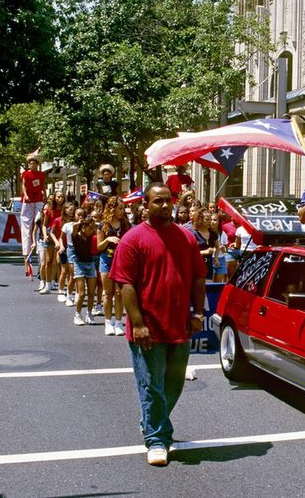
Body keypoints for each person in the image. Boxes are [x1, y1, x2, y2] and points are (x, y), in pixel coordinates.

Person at [109, 183, 206, 467]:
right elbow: (125, 285)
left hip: (179, 326)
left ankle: (151, 420)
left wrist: (198, 314)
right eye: (158, 201)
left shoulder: (186, 237)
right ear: (146, 205)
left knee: (173, 384)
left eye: (168, 201)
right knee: (151, 385)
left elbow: (198, 279)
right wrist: (137, 323)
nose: (165, 206)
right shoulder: (132, 239)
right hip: (147, 329)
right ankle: (157, 439)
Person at [98, 196, 130, 336]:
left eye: (123, 208)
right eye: (120, 208)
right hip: (106, 259)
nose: (122, 211)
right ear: (112, 209)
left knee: (119, 292)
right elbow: (99, 247)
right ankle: (108, 322)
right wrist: (107, 239)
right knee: (108, 292)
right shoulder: (103, 225)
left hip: (121, 260)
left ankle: (118, 322)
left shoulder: (126, 224)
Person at [21, 153, 46, 275]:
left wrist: (45, 195)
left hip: (38, 199)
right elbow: (23, 185)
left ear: (37, 164)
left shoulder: (41, 174)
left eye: (33, 163)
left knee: (39, 222)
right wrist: (25, 195)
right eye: (30, 163)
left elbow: (43, 185)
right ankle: (26, 256)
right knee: (26, 225)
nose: (31, 165)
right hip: (28, 200)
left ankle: (39, 247)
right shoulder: (26, 173)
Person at [72, 217, 98, 326]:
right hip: (79, 264)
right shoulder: (76, 236)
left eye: (92, 228)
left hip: (90, 263)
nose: (91, 230)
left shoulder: (92, 236)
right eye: (89, 228)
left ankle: (89, 313)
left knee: (91, 293)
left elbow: (98, 226)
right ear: (83, 228)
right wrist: (79, 222)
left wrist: (93, 223)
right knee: (82, 293)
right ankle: (77, 314)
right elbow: (74, 227)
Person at [191, 207, 219, 281]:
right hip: (196, 267)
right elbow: (189, 252)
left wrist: (216, 258)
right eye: (207, 219)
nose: (210, 222)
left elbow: (217, 246)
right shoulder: (193, 234)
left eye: (210, 219)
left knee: (208, 286)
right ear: (200, 220)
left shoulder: (213, 234)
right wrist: (204, 252)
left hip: (209, 267)